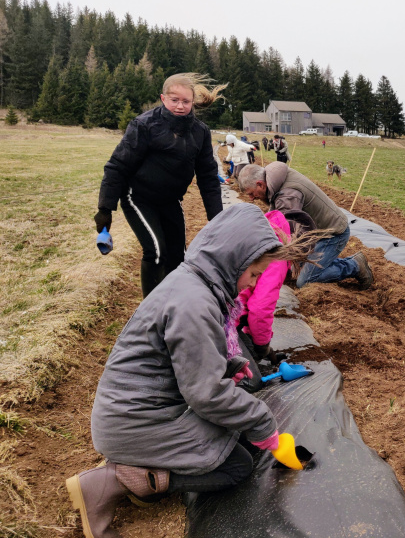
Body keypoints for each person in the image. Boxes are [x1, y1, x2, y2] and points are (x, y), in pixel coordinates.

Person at [66, 204, 316, 538]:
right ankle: (115, 480)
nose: (252, 283)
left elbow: (184, 359)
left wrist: (228, 366)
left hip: (140, 411)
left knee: (236, 433)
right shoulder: (194, 303)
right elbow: (205, 394)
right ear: (234, 258)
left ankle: (146, 474)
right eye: (254, 273)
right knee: (236, 466)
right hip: (132, 423)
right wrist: (264, 424)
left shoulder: (195, 285)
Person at [94, 73, 226, 298]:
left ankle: (173, 306)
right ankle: (151, 313)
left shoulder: (200, 132)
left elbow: (208, 178)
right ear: (163, 99)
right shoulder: (144, 125)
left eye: (186, 101)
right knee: (156, 252)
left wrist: (217, 218)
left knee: (178, 257)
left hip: (170, 200)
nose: (180, 106)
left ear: (193, 101)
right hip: (138, 197)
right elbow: (117, 166)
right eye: (174, 100)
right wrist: (105, 209)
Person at [238, 162, 374, 290]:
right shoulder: (273, 179)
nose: (251, 198)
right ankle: (327, 264)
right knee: (297, 267)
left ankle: (355, 266)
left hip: (332, 234)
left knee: (304, 280)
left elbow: (286, 230)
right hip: (317, 232)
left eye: (251, 193)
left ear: (260, 184)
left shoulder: (288, 196)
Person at [235, 209, 290, 363]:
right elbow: (260, 307)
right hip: (224, 324)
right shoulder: (278, 256)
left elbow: (248, 296)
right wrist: (262, 345)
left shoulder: (259, 235)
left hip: (219, 316)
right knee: (249, 379)